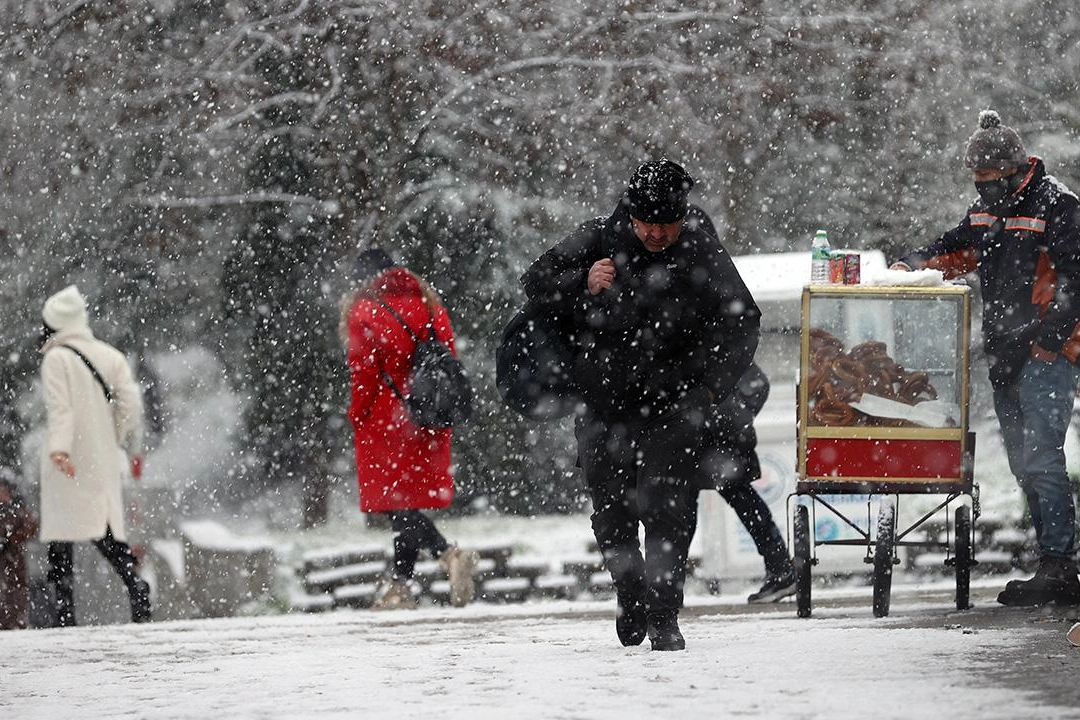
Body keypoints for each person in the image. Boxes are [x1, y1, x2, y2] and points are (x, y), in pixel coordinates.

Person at [521, 159, 760, 650]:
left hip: (675, 406)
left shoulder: (700, 249)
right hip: (603, 406)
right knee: (612, 512)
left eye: (666, 223)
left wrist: (709, 390)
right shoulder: (597, 239)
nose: (655, 232)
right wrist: (581, 281)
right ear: (630, 214)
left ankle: (664, 614)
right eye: (646, 222)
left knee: (667, 509)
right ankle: (630, 592)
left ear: (682, 214)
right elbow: (535, 282)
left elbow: (742, 322)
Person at [891, 110, 1080, 606]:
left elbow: (1075, 280)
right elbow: (954, 249)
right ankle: (1052, 562)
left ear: (1015, 172)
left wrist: (1049, 341)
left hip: (1046, 353)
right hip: (1005, 351)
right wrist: (909, 265)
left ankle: (1060, 563)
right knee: (1023, 462)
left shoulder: (1058, 206)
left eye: (990, 179)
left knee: (1042, 457)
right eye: (977, 179)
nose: (983, 188)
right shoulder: (985, 211)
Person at [340, 248, 478, 610]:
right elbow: (448, 357)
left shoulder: (365, 310)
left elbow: (364, 372)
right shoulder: (430, 305)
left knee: (397, 505)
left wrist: (357, 414)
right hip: (428, 415)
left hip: (386, 420)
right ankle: (401, 586)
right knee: (405, 504)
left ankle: (447, 555)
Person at [37, 285, 151, 626]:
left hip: (67, 460)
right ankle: (136, 588)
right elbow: (131, 404)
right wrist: (113, 436)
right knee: (103, 529)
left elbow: (61, 409)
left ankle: (65, 614)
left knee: (62, 537)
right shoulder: (110, 355)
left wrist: (60, 448)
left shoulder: (56, 358)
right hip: (100, 457)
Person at [693, 363, 796, 603]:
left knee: (742, 502)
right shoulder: (710, 349)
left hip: (721, 442)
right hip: (704, 439)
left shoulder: (721, 348)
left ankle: (667, 586)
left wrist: (730, 415)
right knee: (685, 507)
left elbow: (758, 384)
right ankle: (781, 569)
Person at [0, 471, 37, 630]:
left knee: (15, 595)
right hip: (7, 561)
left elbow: (30, 527)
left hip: (15, 561)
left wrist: (12, 539)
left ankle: (16, 624)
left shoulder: (18, 510)